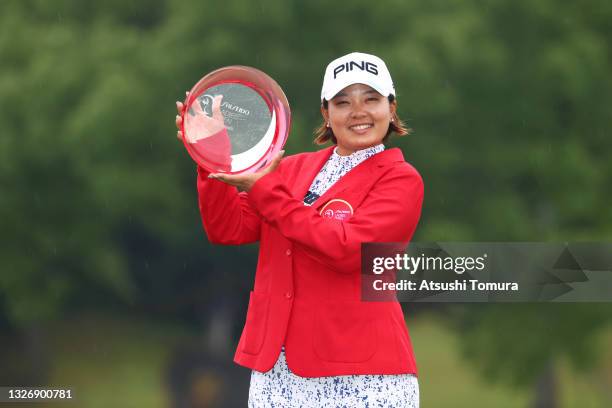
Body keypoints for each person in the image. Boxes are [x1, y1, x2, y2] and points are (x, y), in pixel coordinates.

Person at [175, 52, 424, 407]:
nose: (358, 111)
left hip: (364, 375)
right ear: (326, 113)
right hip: (276, 373)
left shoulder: (401, 179)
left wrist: (264, 191)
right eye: (343, 101)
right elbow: (228, 228)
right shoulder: (289, 170)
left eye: (371, 98)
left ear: (392, 107)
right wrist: (211, 154)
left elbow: (348, 250)